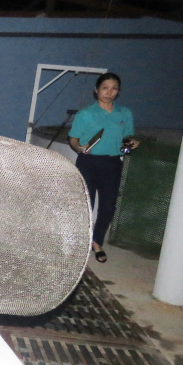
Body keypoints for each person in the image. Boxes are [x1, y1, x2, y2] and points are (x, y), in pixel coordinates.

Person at [68, 72, 139, 263]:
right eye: (105, 88)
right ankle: (81, 244)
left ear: (118, 91)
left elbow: (127, 138)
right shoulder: (86, 114)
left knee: (108, 207)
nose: (109, 92)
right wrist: (78, 148)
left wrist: (130, 144)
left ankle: (97, 242)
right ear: (96, 90)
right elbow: (73, 138)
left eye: (114, 88)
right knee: (85, 206)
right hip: (88, 163)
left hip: (112, 163)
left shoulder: (124, 113)